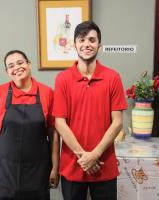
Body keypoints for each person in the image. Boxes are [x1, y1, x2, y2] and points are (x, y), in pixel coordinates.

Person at [53, 21, 127, 200]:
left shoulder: (113, 77)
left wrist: (94, 155)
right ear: (74, 45)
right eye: (82, 39)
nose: (87, 44)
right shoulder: (62, 79)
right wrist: (84, 157)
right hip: (73, 164)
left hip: (104, 163)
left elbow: (117, 122)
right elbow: (59, 122)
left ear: (99, 46)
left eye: (92, 40)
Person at [0, 50, 59, 200]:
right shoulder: (0, 93)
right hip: (5, 171)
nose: (17, 67)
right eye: (11, 66)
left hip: (38, 171)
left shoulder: (47, 93)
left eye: (20, 63)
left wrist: (55, 168)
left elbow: (53, 134)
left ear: (29, 64)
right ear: (7, 72)